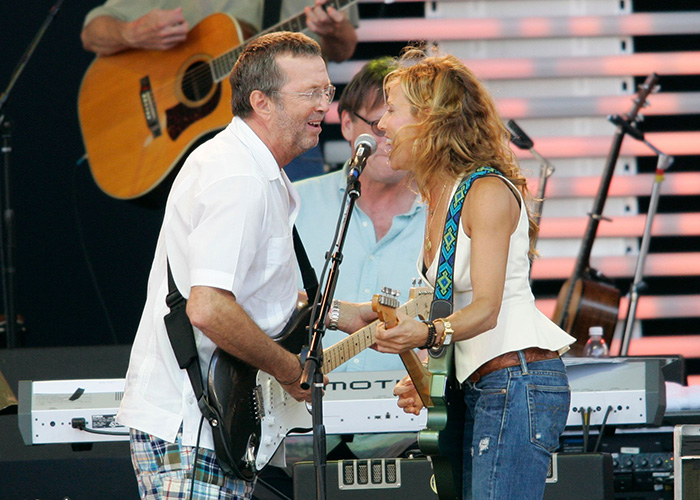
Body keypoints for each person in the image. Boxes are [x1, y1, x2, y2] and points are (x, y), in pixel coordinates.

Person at [115, 32, 372, 500]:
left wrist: (336, 314)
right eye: (310, 93)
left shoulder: (256, 172)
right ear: (262, 102)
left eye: (327, 92)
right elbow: (209, 308)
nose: (325, 106)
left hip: (211, 426)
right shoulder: (237, 176)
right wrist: (290, 370)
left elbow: (253, 296)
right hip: (192, 427)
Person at [373, 47, 576, 500]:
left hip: (516, 381)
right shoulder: (437, 201)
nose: (381, 124)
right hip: (485, 386)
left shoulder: (484, 191)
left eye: (391, 110)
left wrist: (423, 335)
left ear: (431, 119)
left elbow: (484, 309)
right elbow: (440, 311)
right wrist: (326, 313)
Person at [250, 57, 427, 500]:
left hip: (411, 443)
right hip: (293, 440)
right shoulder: (292, 202)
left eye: (401, 118)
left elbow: (466, 317)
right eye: (376, 120)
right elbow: (255, 302)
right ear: (346, 124)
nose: (387, 133)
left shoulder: (444, 214)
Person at [80, 0, 359, 181]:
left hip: (283, 129)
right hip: (185, 147)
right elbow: (92, 31)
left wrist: (333, 30)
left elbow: (342, 48)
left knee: (298, 238)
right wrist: (132, 32)